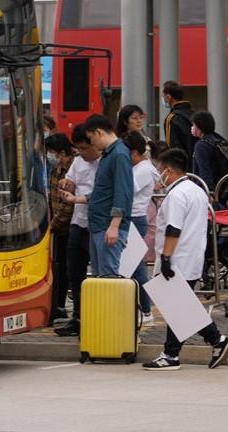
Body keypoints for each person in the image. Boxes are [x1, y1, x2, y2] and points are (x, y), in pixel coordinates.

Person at [142, 147, 228, 370]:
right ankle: (179, 351)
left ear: (169, 170)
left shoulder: (176, 195)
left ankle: (208, 342)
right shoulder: (197, 190)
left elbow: (173, 228)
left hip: (177, 258)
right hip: (192, 256)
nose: (159, 175)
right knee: (180, 308)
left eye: (160, 170)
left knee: (179, 308)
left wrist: (165, 258)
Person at [54, 125, 100, 337]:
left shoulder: (106, 162)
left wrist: (76, 198)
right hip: (77, 222)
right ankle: (78, 317)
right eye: (78, 149)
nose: (81, 153)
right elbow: (72, 182)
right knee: (74, 273)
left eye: (84, 148)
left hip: (97, 225)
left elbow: (100, 194)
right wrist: (67, 183)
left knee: (100, 275)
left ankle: (97, 317)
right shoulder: (79, 161)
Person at [81, 114, 133, 277]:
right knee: (100, 279)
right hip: (100, 224)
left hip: (107, 225)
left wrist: (114, 225)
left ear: (98, 133)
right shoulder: (110, 154)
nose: (92, 144)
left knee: (108, 278)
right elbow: (105, 190)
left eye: (91, 139)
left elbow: (122, 192)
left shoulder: (119, 154)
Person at [125, 131, 157, 322]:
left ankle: (146, 310)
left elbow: (129, 189)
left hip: (135, 219)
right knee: (133, 266)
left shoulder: (144, 169)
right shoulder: (140, 167)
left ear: (135, 152)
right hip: (133, 219)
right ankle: (143, 309)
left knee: (136, 267)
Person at [45, 133, 77, 323]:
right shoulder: (57, 169)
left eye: (53, 153)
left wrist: (53, 224)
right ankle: (58, 305)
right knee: (59, 267)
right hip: (58, 225)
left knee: (69, 268)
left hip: (68, 225)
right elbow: (52, 197)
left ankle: (64, 306)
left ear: (62, 152)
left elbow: (68, 204)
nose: (51, 157)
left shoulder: (74, 168)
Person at [189, 110, 228, 193]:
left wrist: (208, 191)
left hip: (213, 190)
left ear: (199, 127)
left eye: (193, 125)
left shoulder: (201, 145)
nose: (192, 127)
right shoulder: (219, 139)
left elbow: (205, 171)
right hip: (224, 187)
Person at [161, 80, 195, 158]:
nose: (163, 99)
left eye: (163, 96)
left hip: (183, 165)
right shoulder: (194, 114)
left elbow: (172, 148)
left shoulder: (172, 118)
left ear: (169, 97)